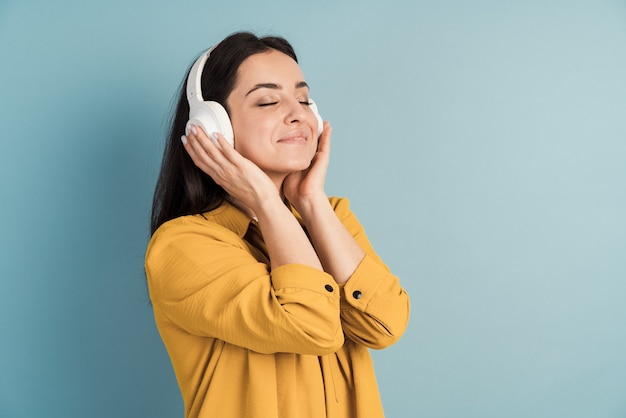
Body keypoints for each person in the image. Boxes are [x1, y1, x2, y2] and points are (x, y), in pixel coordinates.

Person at [145, 31, 410, 418]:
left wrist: (310, 201)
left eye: (304, 99)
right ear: (215, 126)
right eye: (268, 100)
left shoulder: (330, 218)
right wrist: (268, 203)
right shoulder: (182, 246)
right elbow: (312, 325)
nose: (299, 113)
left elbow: (385, 324)